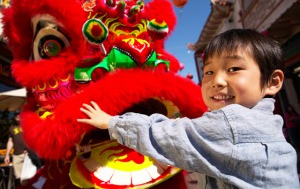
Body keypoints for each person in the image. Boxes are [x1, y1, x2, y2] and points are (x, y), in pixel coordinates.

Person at [77, 29, 299, 188]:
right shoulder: (267, 121)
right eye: (209, 72)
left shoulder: (234, 123)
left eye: (233, 68)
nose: (217, 81)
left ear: (273, 81)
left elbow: (171, 135)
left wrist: (112, 122)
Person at [4, 113, 27, 187]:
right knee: (18, 178)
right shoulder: (12, 128)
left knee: (28, 177)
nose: (17, 116)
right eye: (15, 114)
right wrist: (7, 155)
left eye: (19, 114)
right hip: (16, 155)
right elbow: (10, 141)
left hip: (28, 155)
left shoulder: (28, 125)